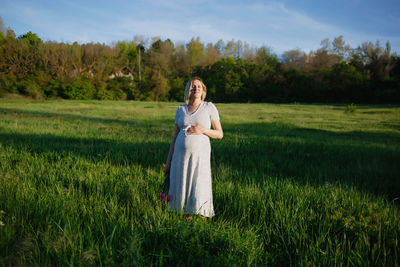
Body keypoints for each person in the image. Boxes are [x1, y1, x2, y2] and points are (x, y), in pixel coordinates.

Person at [164, 77, 223, 220]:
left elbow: (219, 134)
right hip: (180, 157)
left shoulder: (209, 107)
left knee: (199, 184)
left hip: (200, 157)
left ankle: (202, 219)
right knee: (180, 183)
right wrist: (168, 162)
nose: (195, 88)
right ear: (188, 90)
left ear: (203, 90)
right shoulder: (181, 109)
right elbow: (174, 138)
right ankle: (185, 217)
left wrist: (203, 130)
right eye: (192, 86)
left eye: (198, 86)